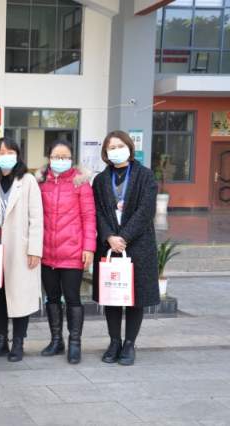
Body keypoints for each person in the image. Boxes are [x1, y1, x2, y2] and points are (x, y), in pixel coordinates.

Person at [92, 130, 159, 366]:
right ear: (105, 152)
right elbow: (97, 212)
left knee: (134, 297)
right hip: (109, 246)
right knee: (111, 295)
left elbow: (146, 211)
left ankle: (129, 343)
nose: (116, 150)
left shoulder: (145, 176)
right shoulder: (100, 180)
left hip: (138, 245)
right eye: (111, 147)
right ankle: (114, 341)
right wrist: (110, 236)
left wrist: (124, 237)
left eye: (120, 146)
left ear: (130, 148)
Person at [0, 137, 43, 362]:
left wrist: (34, 249)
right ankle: (1, 341)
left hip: (20, 248)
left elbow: (36, 218)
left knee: (19, 297)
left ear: (17, 155)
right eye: (1, 152)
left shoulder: (28, 181)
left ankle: (18, 343)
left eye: (10, 152)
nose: (5, 156)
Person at [36, 140, 96, 364]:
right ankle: (56, 340)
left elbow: (89, 217)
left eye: (65, 157)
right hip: (47, 252)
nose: (60, 160)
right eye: (56, 156)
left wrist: (89, 247)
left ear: (72, 159)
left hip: (73, 252)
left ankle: (75, 343)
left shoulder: (81, 183)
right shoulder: (41, 182)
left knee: (72, 298)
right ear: (49, 158)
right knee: (52, 298)